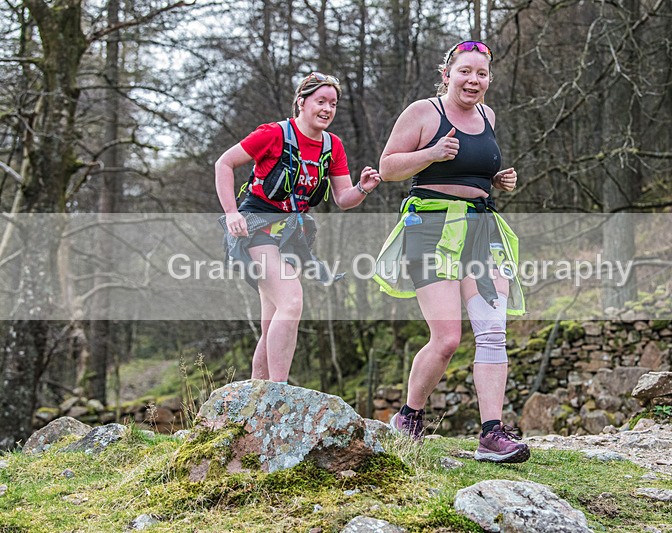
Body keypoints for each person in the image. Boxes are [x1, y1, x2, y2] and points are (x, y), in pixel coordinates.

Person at [373, 41, 529, 463]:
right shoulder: (424, 113)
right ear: (447, 74)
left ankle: (492, 434)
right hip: (430, 228)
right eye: (464, 72)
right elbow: (388, 168)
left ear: (488, 81)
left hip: (482, 227)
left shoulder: (488, 116)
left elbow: (475, 170)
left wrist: (498, 178)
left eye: (481, 74)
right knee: (446, 339)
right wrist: (432, 153)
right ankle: (409, 416)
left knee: (493, 329)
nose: (472, 80)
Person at [215, 72, 381, 384]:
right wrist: (231, 212)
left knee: (272, 321)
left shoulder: (333, 146)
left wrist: (363, 187)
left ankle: (254, 398)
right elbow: (224, 163)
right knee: (291, 301)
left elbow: (344, 198)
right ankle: (279, 391)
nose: (328, 109)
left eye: (333, 104)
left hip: (291, 234)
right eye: (321, 101)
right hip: (255, 227)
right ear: (302, 103)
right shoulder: (273, 134)